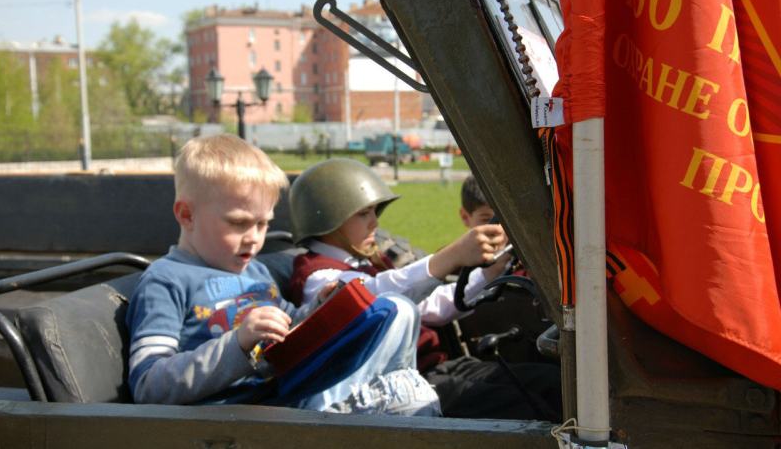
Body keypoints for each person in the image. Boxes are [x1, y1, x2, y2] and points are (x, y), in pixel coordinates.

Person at [126, 134, 441, 416]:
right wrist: (237, 343)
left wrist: (320, 306)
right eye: (239, 223)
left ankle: (397, 408)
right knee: (408, 393)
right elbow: (149, 384)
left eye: (263, 224)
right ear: (187, 214)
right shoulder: (166, 280)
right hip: (242, 420)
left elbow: (291, 328)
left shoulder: (255, 270)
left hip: (294, 396)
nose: (254, 238)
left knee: (399, 309)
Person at [287, 158, 562, 420]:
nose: (375, 223)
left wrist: (490, 272)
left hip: (432, 367)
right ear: (328, 221)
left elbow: (432, 307)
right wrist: (451, 257)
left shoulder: (364, 262)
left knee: (555, 385)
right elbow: (370, 298)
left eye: (374, 212)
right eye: (363, 214)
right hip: (397, 386)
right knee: (529, 408)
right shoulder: (318, 276)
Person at [460, 174, 527, 276]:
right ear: (465, 217)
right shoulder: (453, 264)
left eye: (506, 220)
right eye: (487, 220)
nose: (498, 229)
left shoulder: (528, 269)